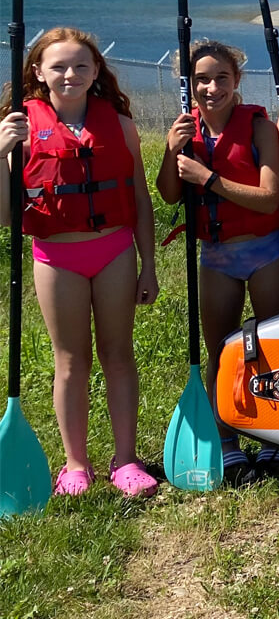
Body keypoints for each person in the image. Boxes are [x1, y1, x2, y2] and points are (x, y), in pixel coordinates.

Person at [0, 28, 158, 497]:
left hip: (113, 250)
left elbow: (140, 199)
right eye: (59, 66)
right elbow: (5, 217)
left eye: (81, 66)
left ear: (96, 71)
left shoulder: (121, 123)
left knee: (118, 354)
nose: (70, 75)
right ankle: (75, 464)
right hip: (57, 256)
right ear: (38, 72)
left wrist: (148, 264)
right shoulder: (22, 127)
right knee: (70, 360)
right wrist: (2, 152)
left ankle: (126, 460)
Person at [155, 40, 279, 482]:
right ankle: (227, 438)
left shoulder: (258, 128)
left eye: (221, 79)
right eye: (201, 80)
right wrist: (170, 152)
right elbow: (170, 194)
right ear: (189, 84)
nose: (211, 88)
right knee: (221, 351)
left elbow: (269, 197)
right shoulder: (185, 128)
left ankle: (274, 437)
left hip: (264, 249)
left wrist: (208, 178)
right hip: (216, 254)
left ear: (237, 82)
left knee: (273, 346)